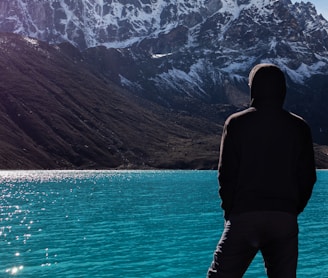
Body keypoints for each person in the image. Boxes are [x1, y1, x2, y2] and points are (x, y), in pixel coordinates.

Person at [207, 63, 317, 277]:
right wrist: (290, 210)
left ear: (253, 88)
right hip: (284, 219)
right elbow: (307, 178)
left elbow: (226, 175)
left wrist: (231, 213)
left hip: (243, 216)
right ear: (283, 90)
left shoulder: (236, 123)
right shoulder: (299, 127)